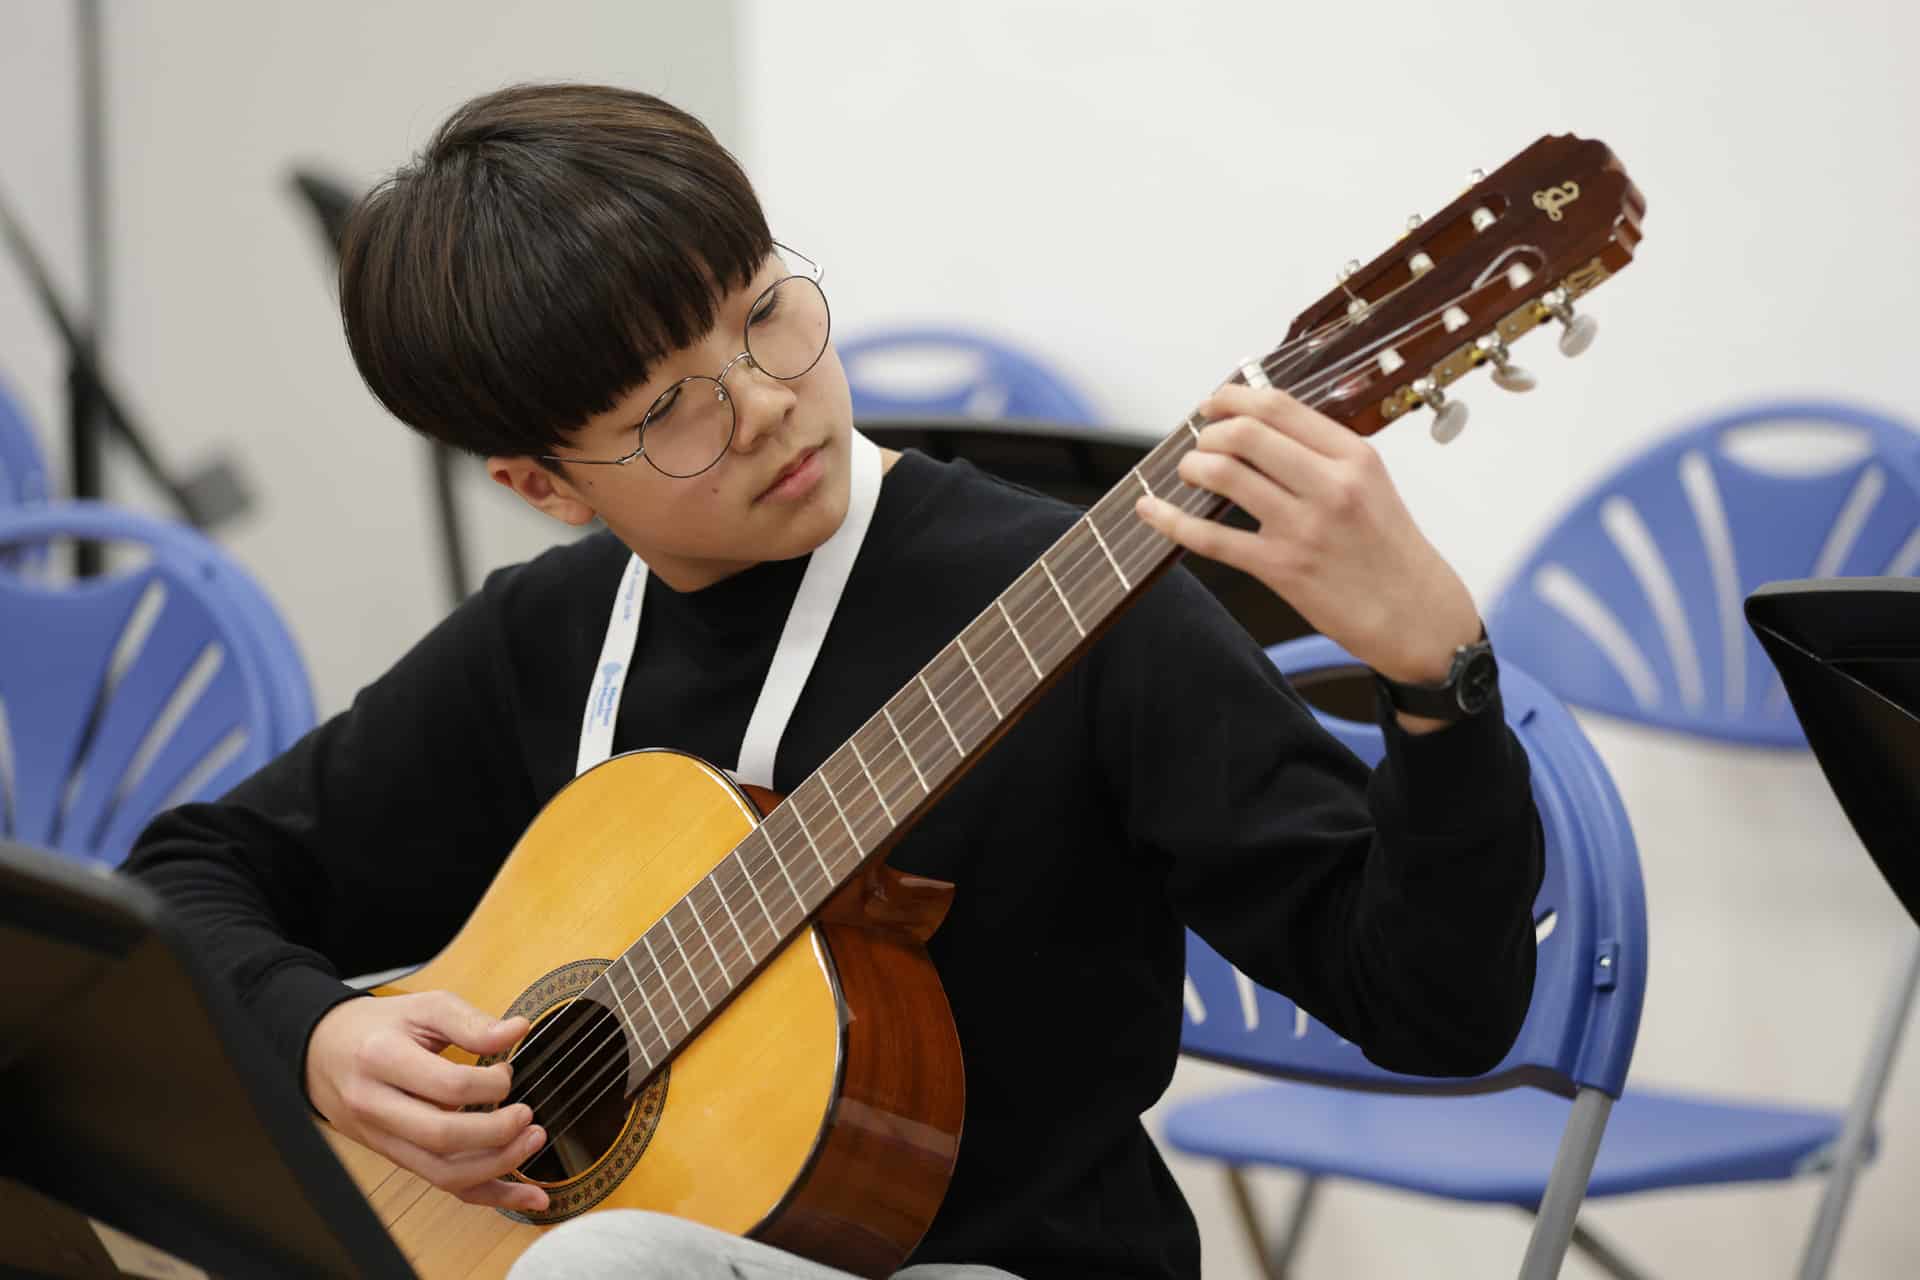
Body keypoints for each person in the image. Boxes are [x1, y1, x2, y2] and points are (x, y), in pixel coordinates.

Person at [123, 82, 1543, 1280]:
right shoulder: (548, 637)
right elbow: (193, 871)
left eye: (764, 314)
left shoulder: (1081, 602)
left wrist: (1434, 673)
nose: (763, 407)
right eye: (668, 410)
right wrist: (319, 1034)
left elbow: (1436, 1010)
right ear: (542, 484)